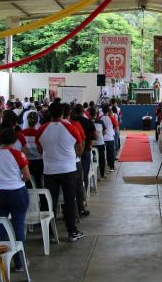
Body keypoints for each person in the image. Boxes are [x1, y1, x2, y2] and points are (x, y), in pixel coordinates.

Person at [36, 102, 84, 242]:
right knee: (69, 200)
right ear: (63, 113)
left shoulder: (42, 129)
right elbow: (79, 146)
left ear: (49, 113)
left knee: (50, 201)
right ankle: (72, 232)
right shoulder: (71, 127)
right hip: (68, 168)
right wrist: (73, 156)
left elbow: (40, 150)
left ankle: (50, 233)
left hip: (50, 170)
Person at [0, 128, 31, 271]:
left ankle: (1, 262)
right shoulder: (18, 154)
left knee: (0, 229)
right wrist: (18, 179)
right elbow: (27, 176)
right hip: (17, 194)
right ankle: (20, 263)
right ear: (14, 141)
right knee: (18, 226)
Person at [20, 112, 44, 188]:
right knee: (39, 182)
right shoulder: (40, 133)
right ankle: (41, 198)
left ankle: (30, 198)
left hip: (26, 161)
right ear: (37, 121)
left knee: (28, 183)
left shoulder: (21, 133)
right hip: (39, 160)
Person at [90, 107, 107, 180]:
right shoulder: (100, 122)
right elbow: (105, 131)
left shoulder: (88, 121)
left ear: (89, 114)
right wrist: (101, 137)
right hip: (100, 143)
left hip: (91, 144)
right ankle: (102, 175)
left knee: (92, 160)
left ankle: (92, 176)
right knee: (101, 159)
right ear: (96, 114)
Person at [100, 105, 116, 173]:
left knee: (102, 155)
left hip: (102, 139)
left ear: (102, 111)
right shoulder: (111, 118)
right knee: (111, 154)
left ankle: (102, 169)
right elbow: (116, 125)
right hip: (110, 138)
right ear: (108, 111)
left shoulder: (100, 118)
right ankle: (111, 167)